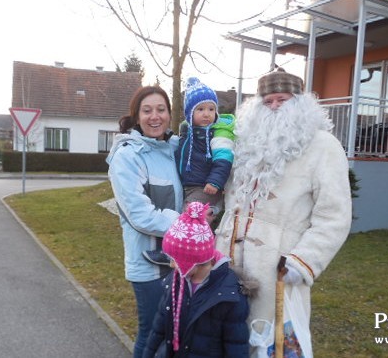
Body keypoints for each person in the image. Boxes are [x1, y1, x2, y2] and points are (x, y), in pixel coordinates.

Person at [214, 67, 352, 356]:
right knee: (225, 340)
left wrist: (302, 262)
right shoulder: (245, 145)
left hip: (278, 271)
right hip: (225, 264)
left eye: (282, 100)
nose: (275, 107)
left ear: (300, 104)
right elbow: (229, 198)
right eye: (268, 102)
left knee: (272, 345)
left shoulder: (324, 146)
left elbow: (334, 216)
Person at [106, 85, 184, 358]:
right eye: (147, 110)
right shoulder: (128, 155)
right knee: (152, 333)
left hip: (177, 259)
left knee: (173, 333)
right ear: (137, 116)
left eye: (161, 110)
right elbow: (140, 215)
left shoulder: (172, 149)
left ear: (169, 114)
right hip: (147, 264)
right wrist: (185, 224)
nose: (155, 117)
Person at [143, 77, 235, 266]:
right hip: (190, 186)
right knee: (191, 220)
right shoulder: (187, 134)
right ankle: (201, 255)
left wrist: (215, 182)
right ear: (189, 113)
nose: (207, 114)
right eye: (200, 110)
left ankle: (173, 256)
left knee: (188, 220)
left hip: (206, 187)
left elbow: (224, 159)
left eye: (211, 109)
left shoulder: (217, 134)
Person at [143, 202, 250, 358]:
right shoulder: (175, 281)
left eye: (175, 259)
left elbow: (236, 347)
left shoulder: (229, 296)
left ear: (192, 261)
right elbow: (158, 328)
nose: (171, 265)